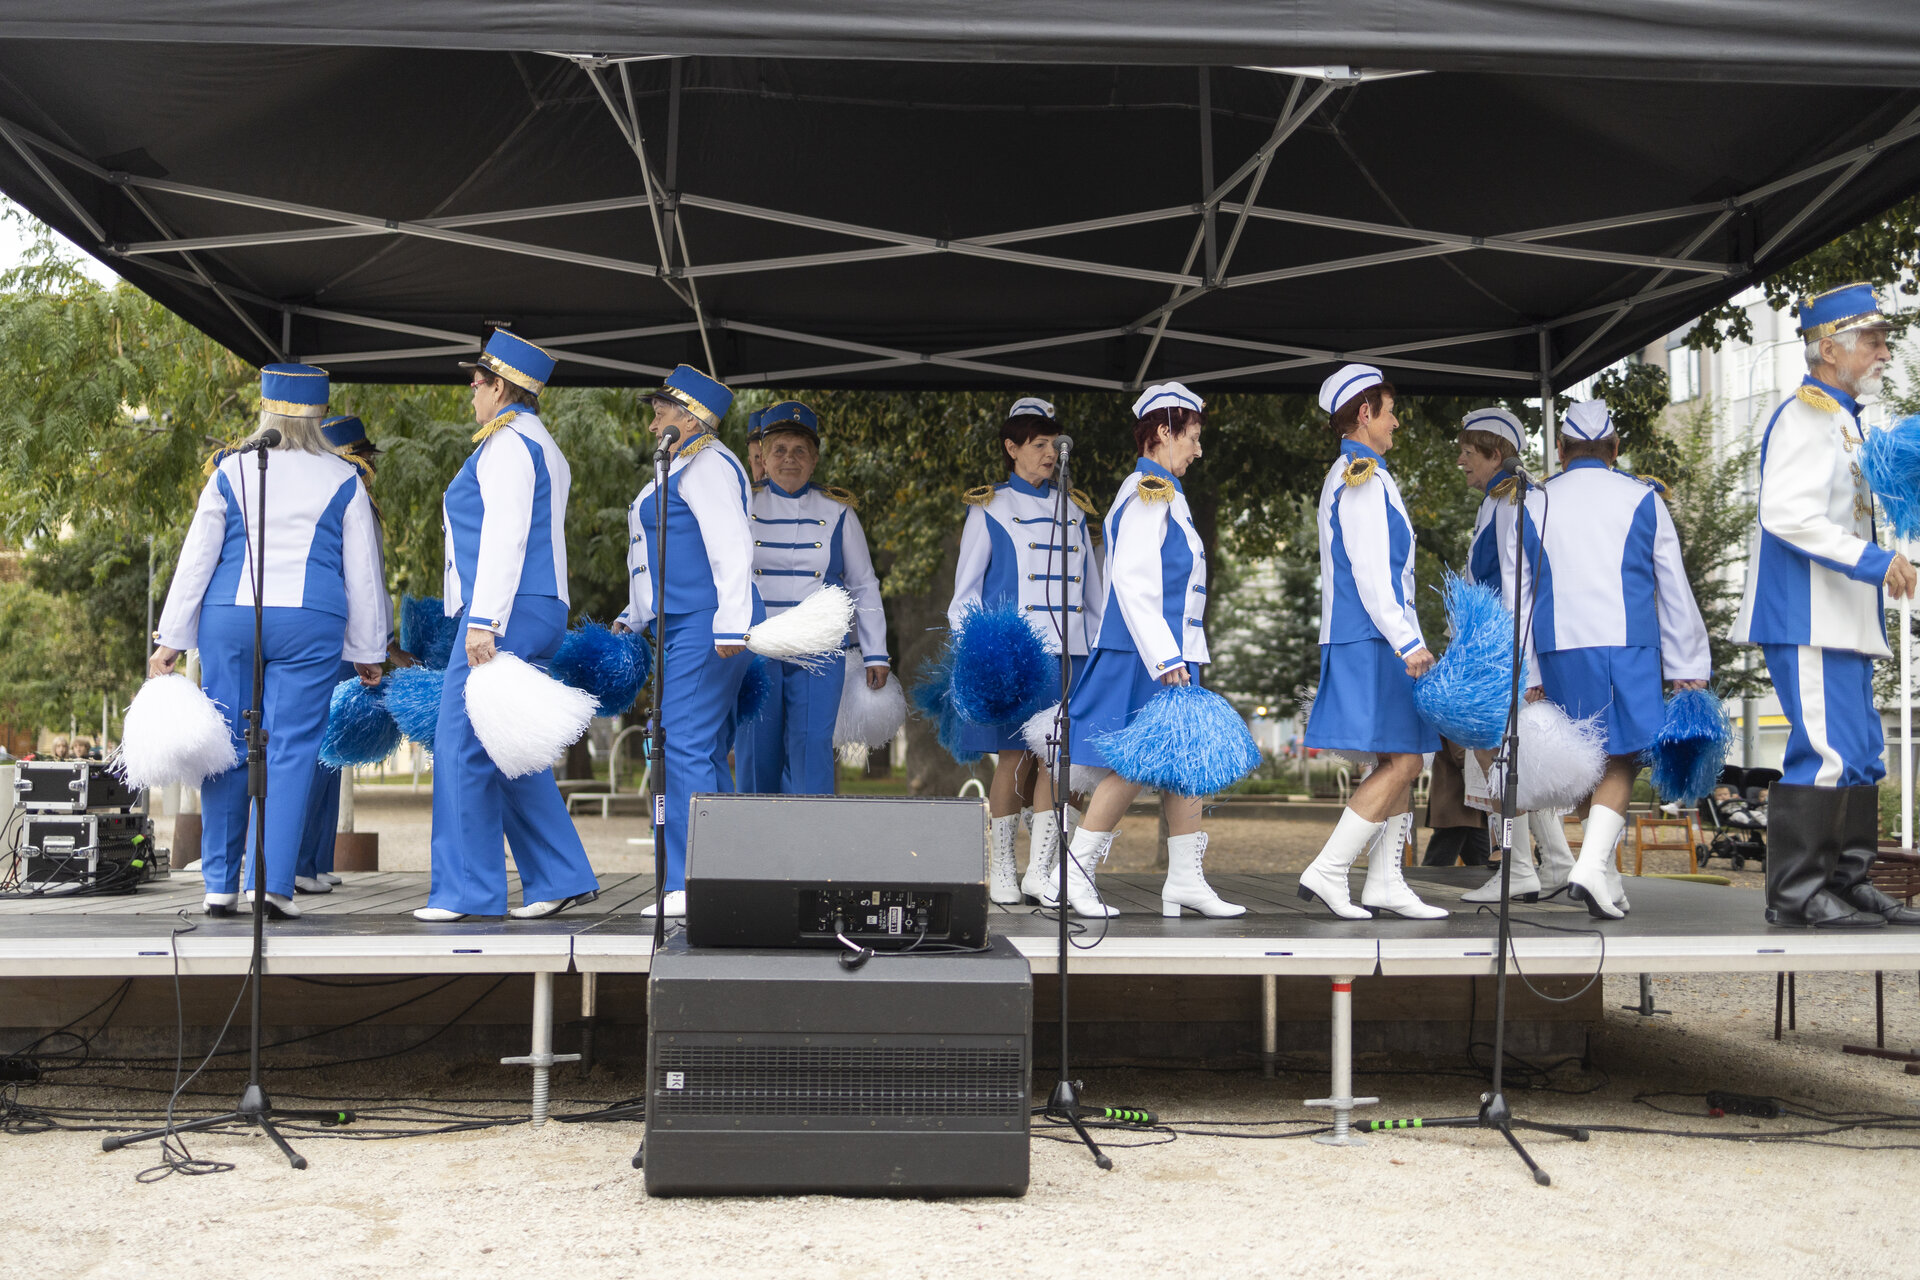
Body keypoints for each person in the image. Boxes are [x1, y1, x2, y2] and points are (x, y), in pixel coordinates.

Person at [151, 364, 388, 919]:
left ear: (266, 412)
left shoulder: (230, 470)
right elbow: (363, 573)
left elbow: (197, 559)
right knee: (291, 749)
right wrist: (368, 650)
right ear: (319, 416)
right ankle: (272, 885)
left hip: (230, 617)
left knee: (225, 743)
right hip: (310, 621)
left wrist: (171, 640)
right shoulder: (344, 478)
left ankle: (219, 884)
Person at [1734, 282, 1919, 927]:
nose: (1884, 352)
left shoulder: (1843, 419)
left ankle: (1847, 880)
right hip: (1805, 613)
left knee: (1862, 750)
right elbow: (1786, 514)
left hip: (1840, 616)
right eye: (1873, 340)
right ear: (1830, 348)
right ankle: (1797, 893)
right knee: (1826, 750)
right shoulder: (1805, 414)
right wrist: (1877, 561)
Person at [414, 332, 600, 922]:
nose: (471, 391)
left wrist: (484, 620)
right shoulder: (538, 441)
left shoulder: (508, 443)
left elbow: (505, 533)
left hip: (507, 606)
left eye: (477, 382)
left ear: (501, 387)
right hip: (536, 603)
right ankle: (559, 875)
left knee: (460, 744)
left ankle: (468, 891)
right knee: (505, 746)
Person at [1519, 398, 1711, 919]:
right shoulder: (1643, 497)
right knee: (1621, 758)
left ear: (1560, 449)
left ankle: (1606, 877)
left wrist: (1528, 670)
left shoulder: (1532, 501)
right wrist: (1689, 664)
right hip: (1626, 642)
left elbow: (1520, 596)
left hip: (1557, 647)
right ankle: (1590, 866)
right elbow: (1673, 586)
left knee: (1585, 761)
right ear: (1615, 448)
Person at [1063, 382, 1241, 919]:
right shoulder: (1148, 490)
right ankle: (1072, 875)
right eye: (1193, 437)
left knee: (1183, 760)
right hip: (1148, 653)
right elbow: (1133, 579)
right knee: (1134, 765)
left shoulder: (1166, 492)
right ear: (1163, 432)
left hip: (1166, 652)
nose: (1199, 449)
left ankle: (1185, 880)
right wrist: (1166, 657)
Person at [1296, 364, 1446, 920]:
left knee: (1399, 756)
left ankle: (1385, 881)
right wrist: (1408, 642)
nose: (1397, 422)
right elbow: (1372, 572)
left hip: (1371, 635)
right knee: (1405, 760)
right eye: (1390, 412)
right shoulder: (1361, 475)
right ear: (1365, 414)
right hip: (1374, 637)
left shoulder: (1361, 473)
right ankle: (1330, 869)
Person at [947, 397, 1105, 905]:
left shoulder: (1076, 510)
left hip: (1072, 656)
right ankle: (1001, 867)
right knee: (1015, 759)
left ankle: (1040, 871)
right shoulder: (989, 506)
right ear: (1011, 448)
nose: (1050, 454)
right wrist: (980, 654)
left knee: (1061, 763)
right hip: (1017, 656)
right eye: (1038, 445)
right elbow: (965, 596)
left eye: (1054, 444)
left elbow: (1093, 596)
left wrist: (1099, 654)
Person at [615, 364, 758, 919]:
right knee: (699, 746)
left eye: (662, 413)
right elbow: (653, 556)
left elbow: (731, 547)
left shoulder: (708, 466)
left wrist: (731, 622)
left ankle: (688, 880)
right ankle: (718, 874)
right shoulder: (683, 465)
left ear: (692, 418)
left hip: (707, 619)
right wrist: (634, 616)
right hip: (682, 620)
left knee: (680, 742)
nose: (654, 424)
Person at [1450, 406, 1580, 902]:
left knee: (1499, 758)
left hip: (1503, 655)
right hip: (1501, 652)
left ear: (1495, 453)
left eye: (1469, 452)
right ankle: (1558, 862)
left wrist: (1523, 668)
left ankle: (1519, 867)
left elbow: (1518, 590)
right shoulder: (1497, 501)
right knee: (1517, 759)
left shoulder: (1509, 501)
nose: (1461, 461)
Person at [735, 400, 889, 794]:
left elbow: (863, 583)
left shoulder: (838, 510)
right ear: (763, 457)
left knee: (811, 746)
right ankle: (755, 828)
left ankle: (813, 829)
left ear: (815, 459)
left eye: (800, 450)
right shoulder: (742, 504)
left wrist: (875, 652)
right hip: (758, 643)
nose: (790, 459)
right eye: (780, 450)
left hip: (820, 648)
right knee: (756, 746)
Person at [292, 414, 414, 895]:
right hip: (337, 638)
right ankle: (299, 862)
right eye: (363, 456)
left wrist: (385, 641)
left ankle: (316, 858)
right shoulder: (339, 499)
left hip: (354, 640)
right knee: (320, 751)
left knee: (334, 752)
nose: (370, 465)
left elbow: (373, 584)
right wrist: (375, 642)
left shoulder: (359, 499)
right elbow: (355, 584)